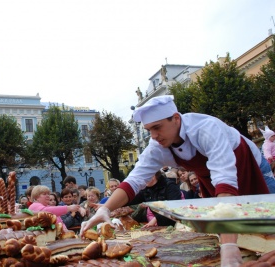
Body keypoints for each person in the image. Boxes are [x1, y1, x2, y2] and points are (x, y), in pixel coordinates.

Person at [80, 95, 275, 267]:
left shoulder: (206, 129)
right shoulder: (157, 145)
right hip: (210, 177)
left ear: (175, 119)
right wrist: (106, 208)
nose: (154, 136)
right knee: (235, 233)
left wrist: (229, 246)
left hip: (248, 165)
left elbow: (225, 182)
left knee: (265, 223)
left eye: (157, 128)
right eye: (149, 130)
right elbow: (134, 180)